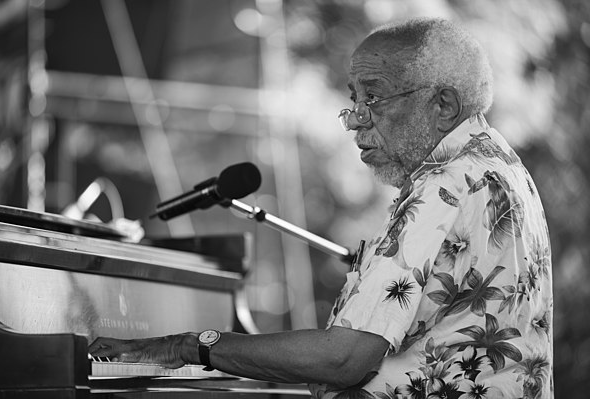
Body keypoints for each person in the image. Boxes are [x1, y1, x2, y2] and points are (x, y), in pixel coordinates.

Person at [90, 17, 553, 399]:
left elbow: (343, 359)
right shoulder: (499, 165)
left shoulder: (445, 183)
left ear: (443, 104)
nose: (355, 120)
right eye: (354, 99)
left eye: (374, 96)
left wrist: (190, 346)